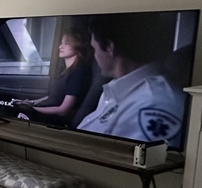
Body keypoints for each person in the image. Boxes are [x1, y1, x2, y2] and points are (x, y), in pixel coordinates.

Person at [77, 13, 187, 148]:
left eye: (94, 48)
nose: (95, 55)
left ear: (110, 47)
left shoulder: (155, 104)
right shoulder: (114, 90)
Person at [11, 28, 93, 126]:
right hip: (44, 111)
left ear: (78, 46)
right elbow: (53, 97)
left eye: (66, 43)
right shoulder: (65, 70)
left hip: (52, 119)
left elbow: (63, 110)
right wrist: (30, 103)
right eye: (61, 43)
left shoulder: (79, 73)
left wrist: (32, 109)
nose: (60, 46)